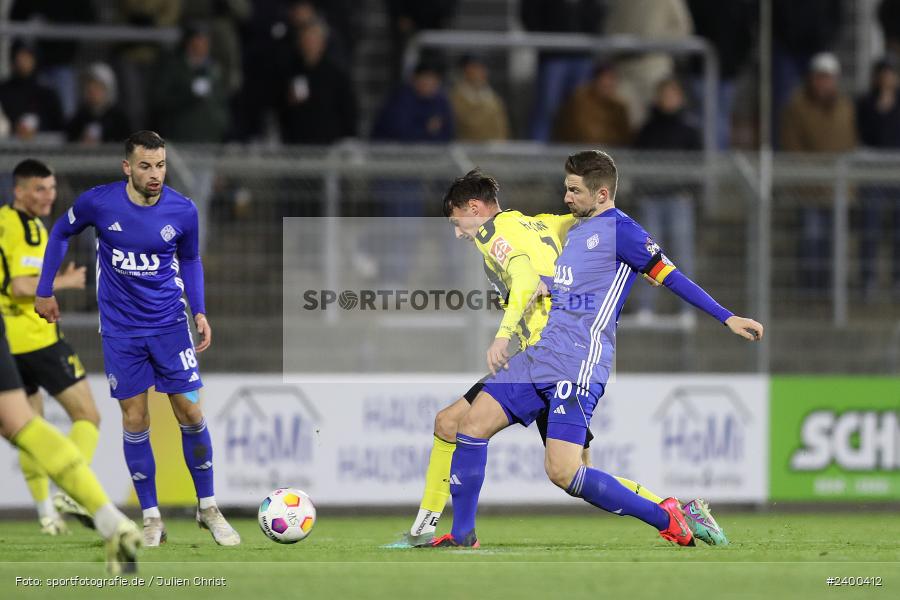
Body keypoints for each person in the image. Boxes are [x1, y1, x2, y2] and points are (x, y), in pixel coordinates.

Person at [430, 150, 764, 548]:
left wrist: (727, 317)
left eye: (574, 190)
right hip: (542, 353)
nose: (566, 197)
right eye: (566, 188)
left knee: (564, 472)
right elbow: (573, 280)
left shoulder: (625, 232)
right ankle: (463, 536)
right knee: (471, 424)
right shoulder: (577, 232)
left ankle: (666, 516)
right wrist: (546, 284)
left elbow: (673, 278)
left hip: (578, 362)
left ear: (601, 193)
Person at [34, 130, 240, 548]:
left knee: (190, 412)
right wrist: (44, 288)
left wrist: (198, 310)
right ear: (127, 167)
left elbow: (191, 258)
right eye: (145, 165)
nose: (155, 174)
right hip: (121, 331)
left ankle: (208, 508)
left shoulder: (183, 211)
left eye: (160, 165)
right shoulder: (99, 202)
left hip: (168, 326)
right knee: (134, 419)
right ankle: (151, 518)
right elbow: (59, 232)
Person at [0, 159, 101, 535]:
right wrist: (66, 281)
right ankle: (73, 491)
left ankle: (46, 515)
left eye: (52, 188)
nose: (48, 196)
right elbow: (20, 286)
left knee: (31, 428)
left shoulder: (6, 222)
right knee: (88, 416)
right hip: (35, 339)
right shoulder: (25, 228)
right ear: (19, 191)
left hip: (8, 341)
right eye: (40, 189)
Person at [0, 317, 140, 573]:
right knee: (20, 422)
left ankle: (58, 511)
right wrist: (60, 282)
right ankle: (112, 522)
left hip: (24, 338)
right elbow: (22, 284)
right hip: (32, 338)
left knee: (24, 421)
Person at [781, 53, 857, 292]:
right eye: (820, 77)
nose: (824, 83)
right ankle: (810, 288)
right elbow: (792, 145)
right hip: (810, 187)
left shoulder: (845, 107)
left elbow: (850, 143)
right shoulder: (797, 106)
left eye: (828, 77)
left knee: (835, 242)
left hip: (839, 187)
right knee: (811, 239)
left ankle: (833, 289)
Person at [633, 78, 701, 320]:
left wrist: (690, 189)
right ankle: (645, 307)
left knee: (682, 254)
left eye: (673, 94)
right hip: (652, 198)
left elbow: (699, 164)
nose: (668, 100)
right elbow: (638, 160)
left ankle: (687, 309)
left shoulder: (690, 129)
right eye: (664, 94)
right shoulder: (648, 128)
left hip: (678, 198)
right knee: (647, 256)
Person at [856, 58, 900, 300]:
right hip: (872, 174)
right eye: (882, 75)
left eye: (890, 75)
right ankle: (868, 278)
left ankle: (897, 278)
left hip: (897, 175)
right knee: (870, 227)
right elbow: (864, 135)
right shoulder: (865, 103)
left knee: (898, 230)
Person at [551, 62, 632, 146]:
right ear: (595, 80)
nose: (608, 84)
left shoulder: (619, 108)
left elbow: (624, 137)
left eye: (612, 80)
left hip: (611, 153)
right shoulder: (580, 102)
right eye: (604, 80)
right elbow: (581, 134)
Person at [0, 41, 64, 140]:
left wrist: (38, 130)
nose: (23, 60)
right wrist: (14, 128)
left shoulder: (47, 92)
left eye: (28, 56)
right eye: (20, 56)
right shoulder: (4, 90)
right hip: (8, 148)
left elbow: (58, 125)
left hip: (43, 150)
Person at [66, 63, 132, 145]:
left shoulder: (118, 119)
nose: (92, 91)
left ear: (108, 89)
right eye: (88, 87)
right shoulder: (78, 118)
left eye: (97, 87)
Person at [450, 55, 510, 142]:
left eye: (482, 68)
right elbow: (469, 123)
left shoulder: (493, 98)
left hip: (493, 150)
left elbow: (502, 128)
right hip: (465, 148)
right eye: (474, 68)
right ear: (465, 71)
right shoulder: (456, 97)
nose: (479, 72)